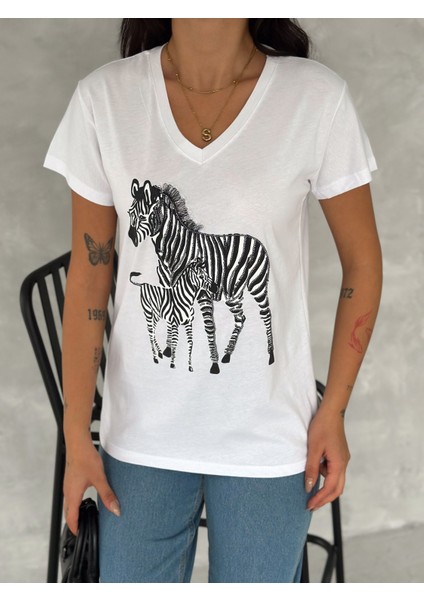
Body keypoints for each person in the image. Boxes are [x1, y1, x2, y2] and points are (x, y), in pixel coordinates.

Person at [43, 18, 382, 583]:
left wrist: (334, 410)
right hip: (140, 439)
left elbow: (363, 264)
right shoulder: (104, 98)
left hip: (270, 438)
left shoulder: (315, 98)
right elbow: (89, 278)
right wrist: (77, 433)